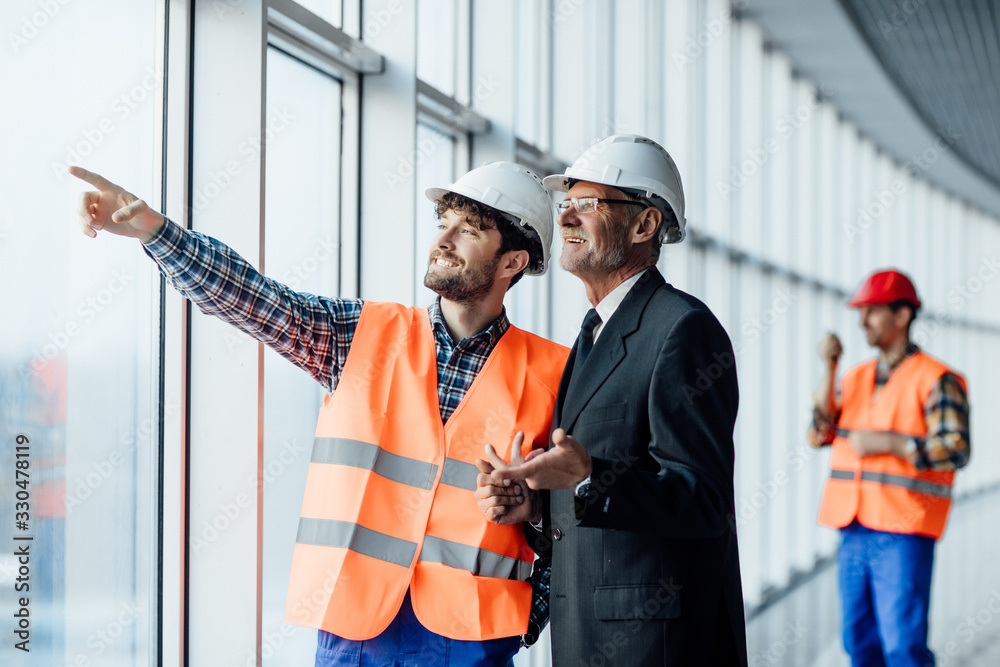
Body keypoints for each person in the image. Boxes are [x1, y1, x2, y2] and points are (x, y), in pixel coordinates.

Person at [69, 162, 570, 666]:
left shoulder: (558, 374)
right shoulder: (363, 335)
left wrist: (534, 538)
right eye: (444, 224)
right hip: (355, 629)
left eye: (468, 231)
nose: (444, 240)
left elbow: (576, 519)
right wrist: (156, 232)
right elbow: (252, 299)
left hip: (470, 639)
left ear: (512, 262)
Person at [476, 134, 748, 665]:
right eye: (565, 204)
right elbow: (596, 507)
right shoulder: (593, 333)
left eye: (588, 204)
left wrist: (585, 476)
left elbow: (703, 502)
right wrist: (535, 506)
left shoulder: (682, 330)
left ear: (645, 225)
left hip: (655, 644)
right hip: (587, 635)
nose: (566, 219)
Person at [808, 269, 970, 667]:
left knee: (902, 647)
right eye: (861, 312)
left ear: (902, 316)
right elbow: (818, 433)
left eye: (872, 311)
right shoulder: (855, 377)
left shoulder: (936, 379)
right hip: (855, 528)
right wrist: (829, 367)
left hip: (903, 529)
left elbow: (955, 449)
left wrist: (894, 444)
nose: (862, 321)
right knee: (858, 641)